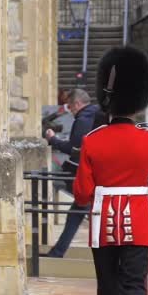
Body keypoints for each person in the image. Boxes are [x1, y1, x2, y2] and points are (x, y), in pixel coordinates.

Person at [74, 46, 148, 295]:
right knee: (133, 284)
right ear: (139, 99)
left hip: (102, 223)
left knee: (107, 285)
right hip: (138, 224)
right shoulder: (147, 137)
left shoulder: (93, 141)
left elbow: (81, 193)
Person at [44, 89, 100, 258]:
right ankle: (58, 252)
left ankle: (58, 252)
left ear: (77, 104)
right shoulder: (96, 114)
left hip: (90, 175)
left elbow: (75, 149)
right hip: (97, 173)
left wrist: (53, 139)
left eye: (70, 106)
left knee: (82, 212)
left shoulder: (83, 119)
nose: (70, 110)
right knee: (77, 213)